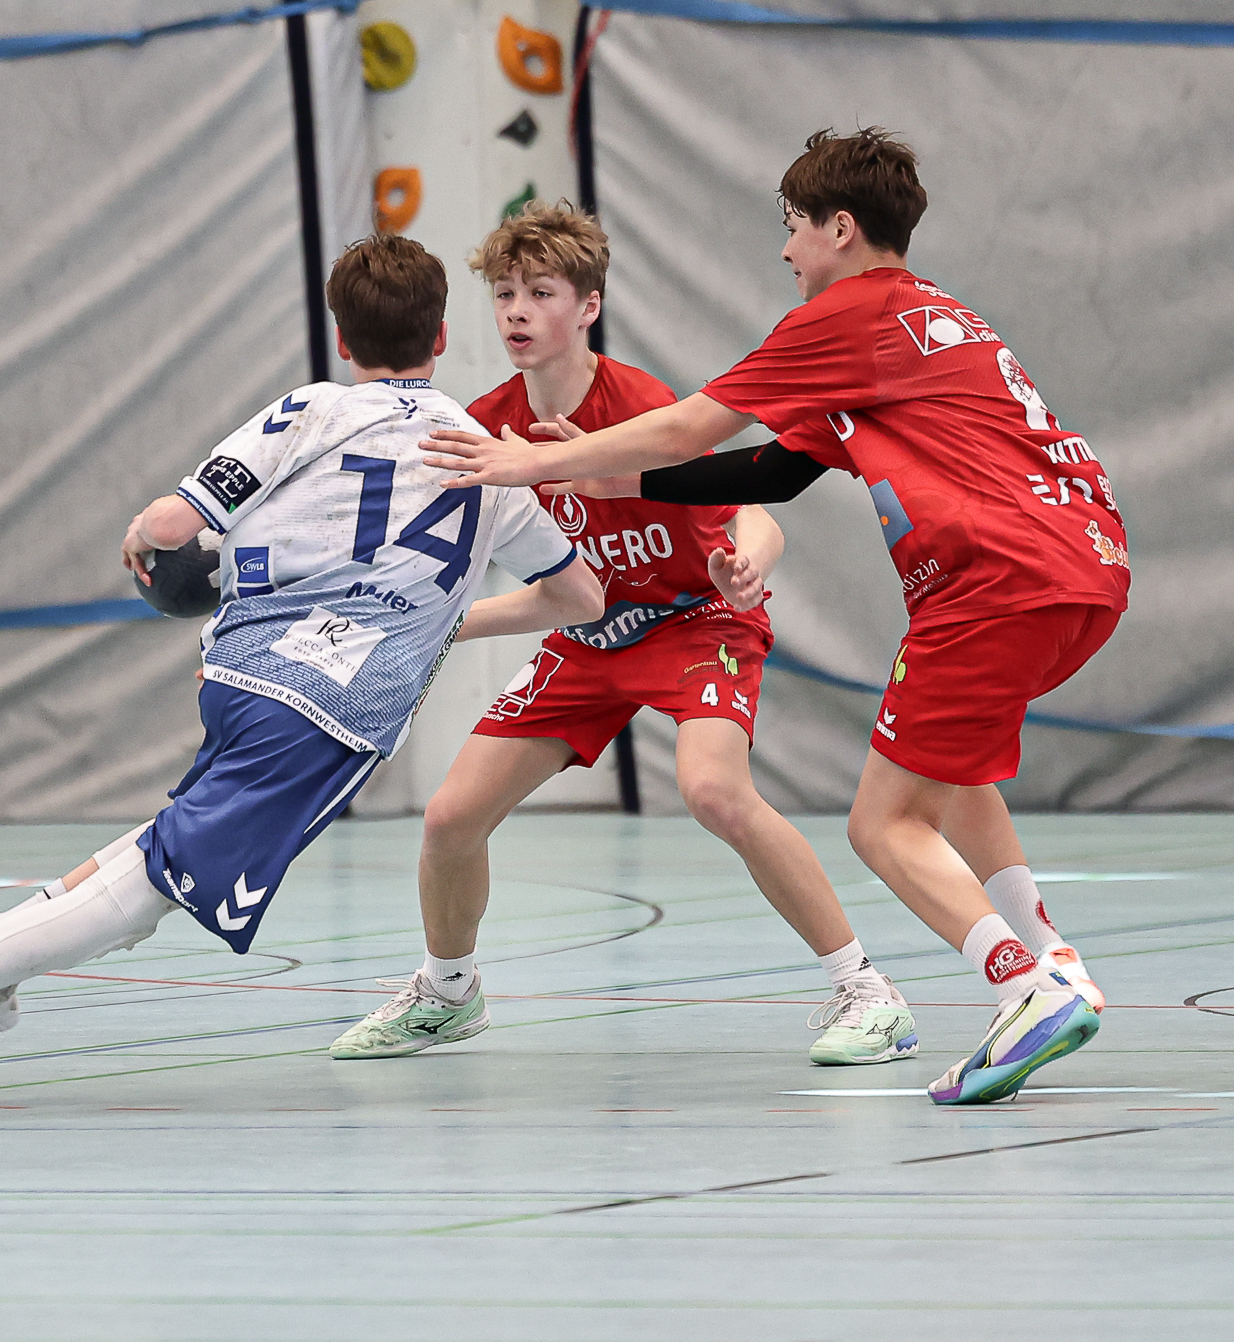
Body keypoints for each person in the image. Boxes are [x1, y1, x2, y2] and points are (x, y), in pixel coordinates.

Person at [0, 234, 604, 1121]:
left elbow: (173, 526)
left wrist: (142, 535)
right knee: (148, 892)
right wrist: (440, 618)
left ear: (341, 338)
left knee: (168, 841)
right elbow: (580, 596)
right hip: (328, 712)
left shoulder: (311, 408)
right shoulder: (489, 461)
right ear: (441, 336)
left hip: (241, 670)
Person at [418, 129, 1125, 1106]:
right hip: (1085, 559)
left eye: (794, 227)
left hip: (988, 578)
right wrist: (622, 481)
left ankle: (1022, 986)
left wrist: (535, 461)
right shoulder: (936, 315)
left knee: (882, 823)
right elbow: (775, 469)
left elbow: (688, 428)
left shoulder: (842, 316)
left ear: (841, 229)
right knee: (953, 773)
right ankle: (1054, 961)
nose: (786, 248)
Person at [329, 204, 916, 1065]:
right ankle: (448, 991)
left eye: (541, 292)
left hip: (697, 621)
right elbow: (554, 600)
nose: (518, 311)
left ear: (589, 306)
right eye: (505, 294)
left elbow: (755, 516)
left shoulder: (640, 406)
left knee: (714, 791)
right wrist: (420, 629)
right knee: (451, 817)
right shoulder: (486, 428)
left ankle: (868, 991)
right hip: (590, 639)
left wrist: (747, 566)